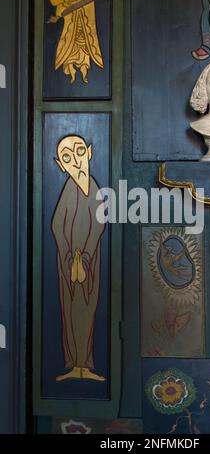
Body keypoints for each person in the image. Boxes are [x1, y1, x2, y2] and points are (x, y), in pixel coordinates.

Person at [52, 135, 105, 382]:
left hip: (88, 262)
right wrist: (68, 255)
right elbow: (56, 225)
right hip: (67, 262)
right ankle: (74, 364)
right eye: (66, 157)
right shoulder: (68, 188)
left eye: (79, 151)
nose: (75, 160)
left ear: (90, 152)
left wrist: (83, 257)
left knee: (87, 308)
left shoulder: (94, 187)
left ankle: (86, 364)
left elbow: (98, 225)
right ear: (61, 165)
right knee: (69, 309)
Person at [50, 0, 108, 83]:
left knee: (85, 51)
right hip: (70, 26)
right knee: (69, 51)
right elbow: (54, 1)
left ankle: (84, 74)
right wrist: (63, 1)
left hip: (86, 25)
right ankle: (72, 73)